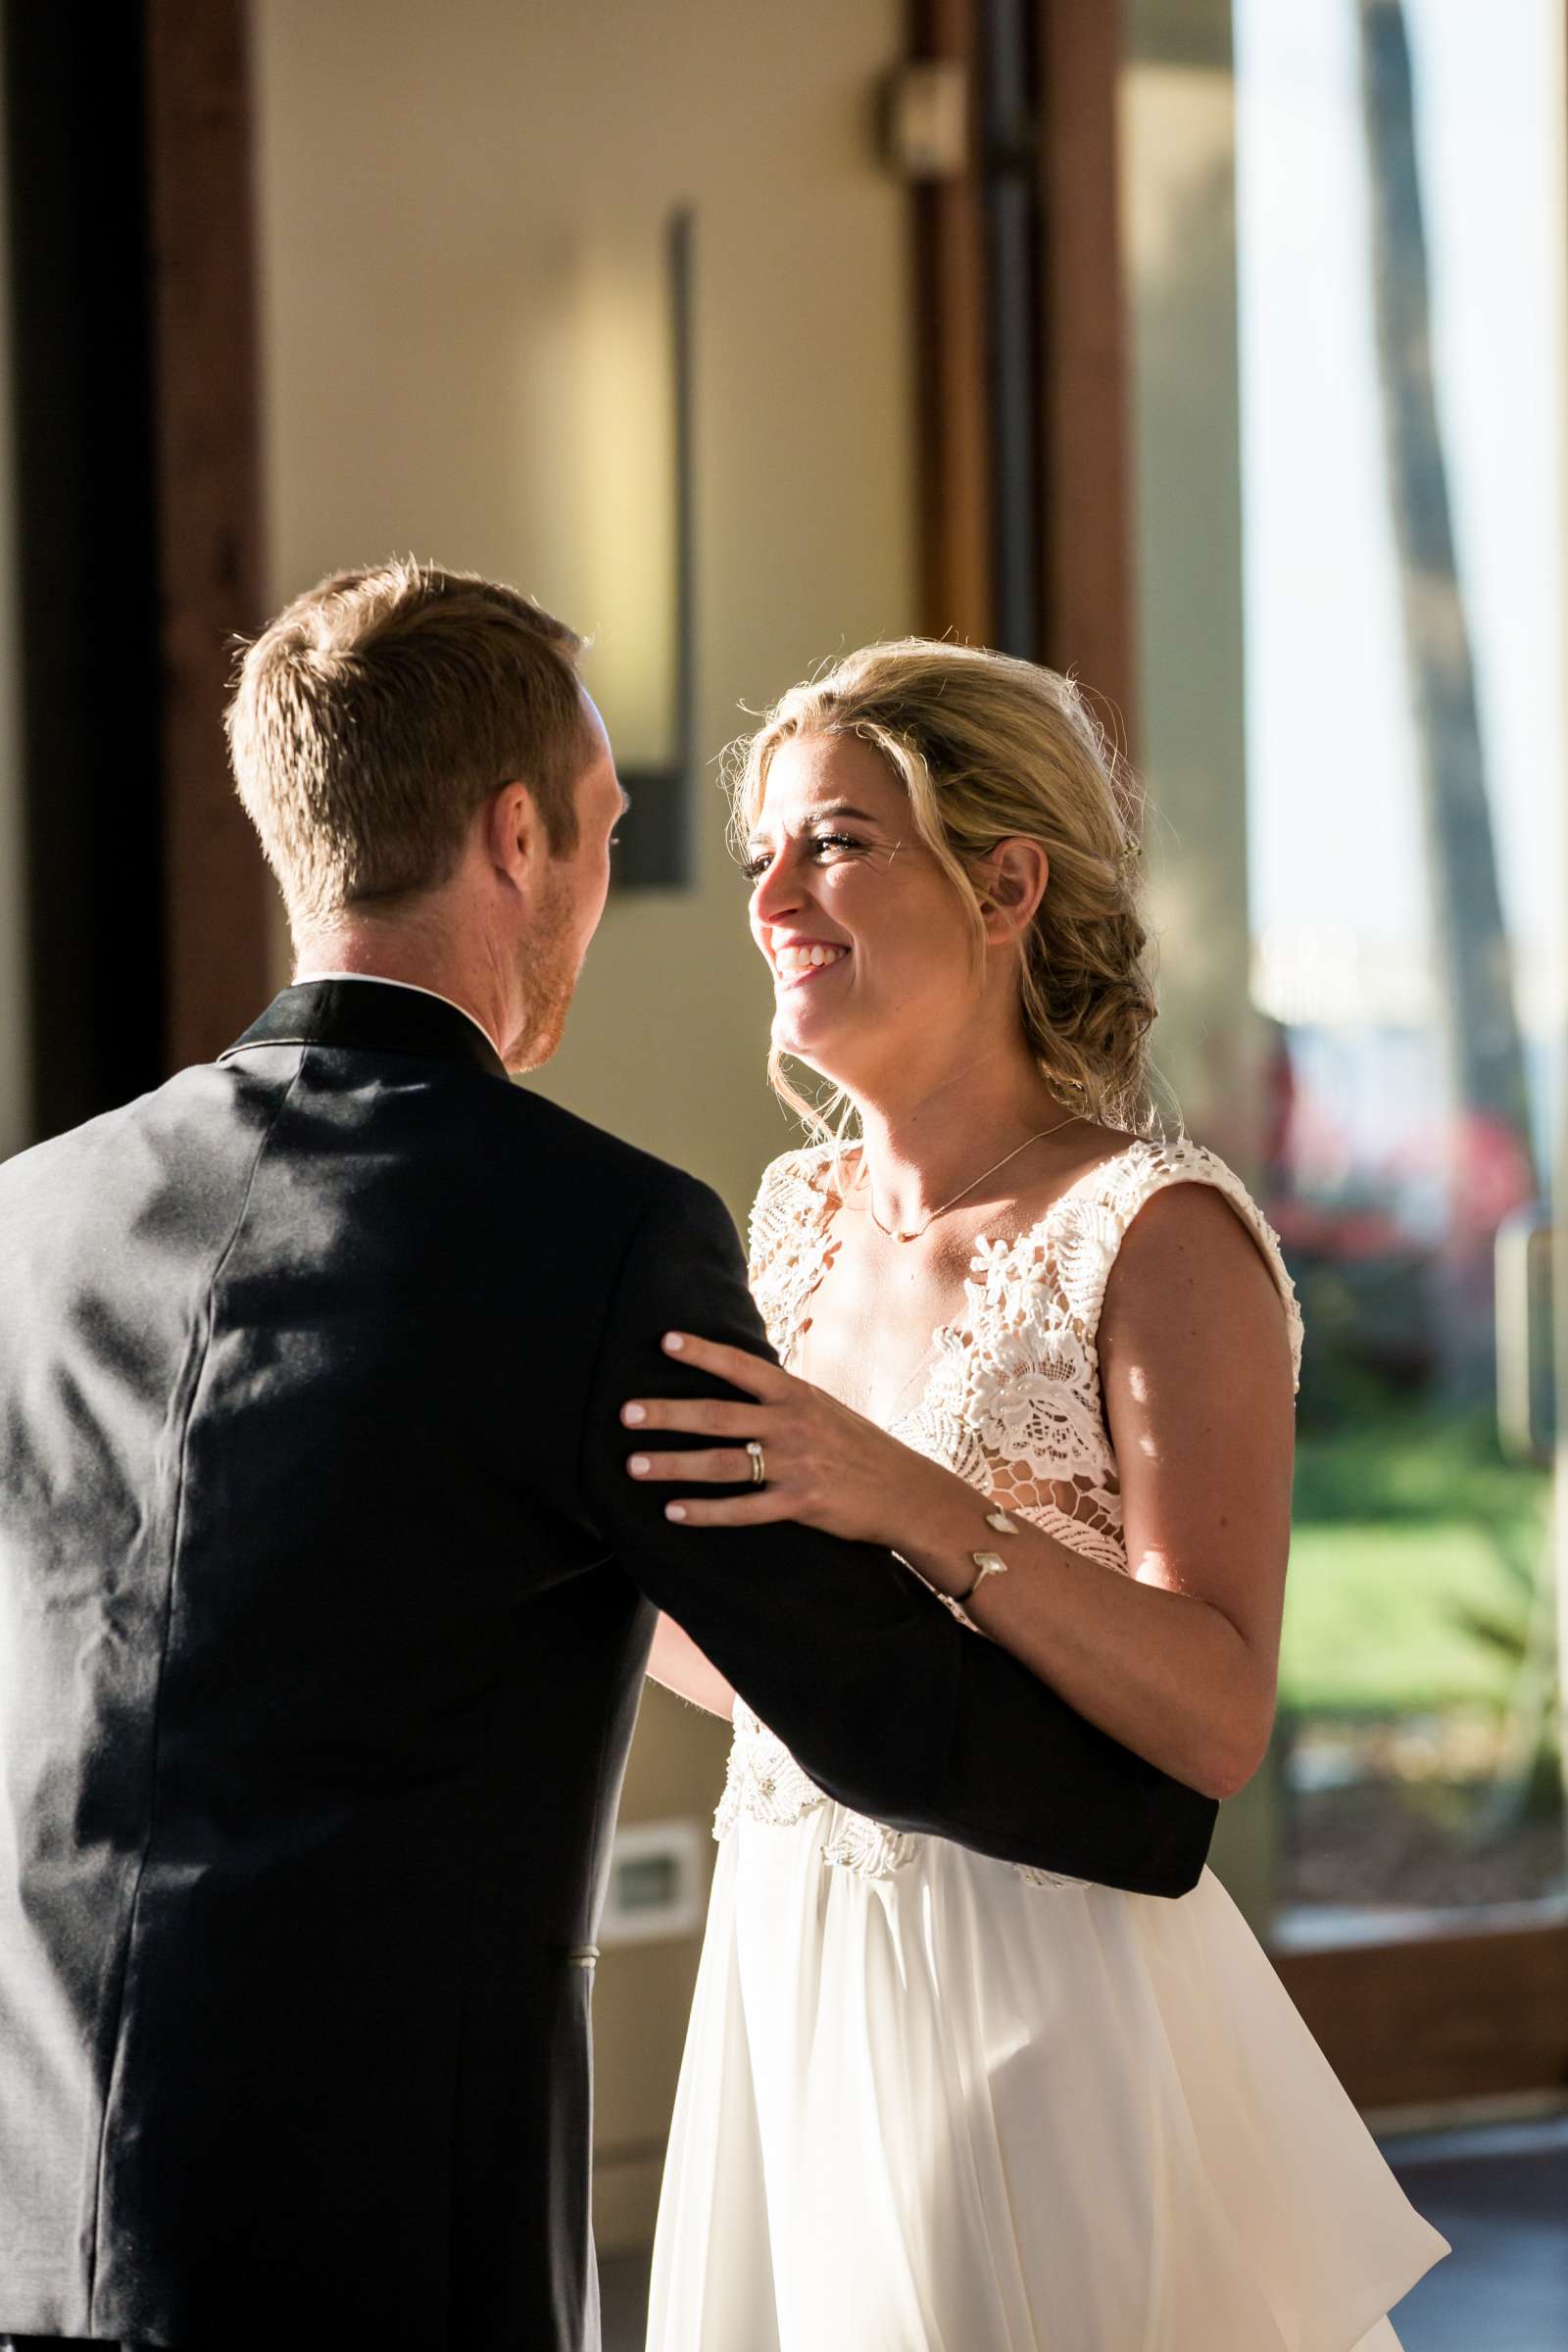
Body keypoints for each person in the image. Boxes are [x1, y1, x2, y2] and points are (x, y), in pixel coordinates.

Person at [0, 567, 1220, 2352]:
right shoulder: (589, 1232)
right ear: (515, 839)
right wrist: (1158, 1807)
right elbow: (868, 1695)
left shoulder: (36, 1218)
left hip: (35, 2204)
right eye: (604, 832)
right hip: (375, 2238)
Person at [638, 639, 1450, 2350]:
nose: (775, 895)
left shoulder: (1157, 1235)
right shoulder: (790, 1217)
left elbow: (1218, 1717)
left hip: (1038, 2002)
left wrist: (914, 1498)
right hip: (787, 1968)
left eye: (839, 842)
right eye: (763, 853)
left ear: (1007, 881)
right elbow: (787, 1665)